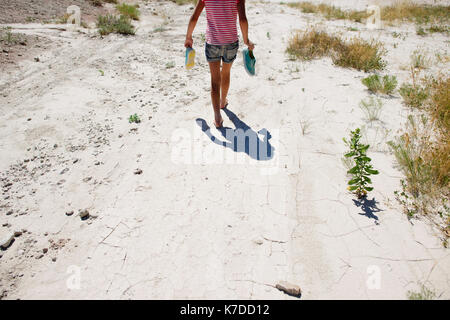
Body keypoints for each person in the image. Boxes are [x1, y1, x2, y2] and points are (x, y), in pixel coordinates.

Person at [184, 0, 255, 128]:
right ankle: (223, 102)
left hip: (212, 43)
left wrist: (188, 36)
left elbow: (195, 17)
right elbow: (243, 19)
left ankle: (217, 117)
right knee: (226, 72)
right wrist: (246, 40)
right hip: (230, 42)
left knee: (215, 80)